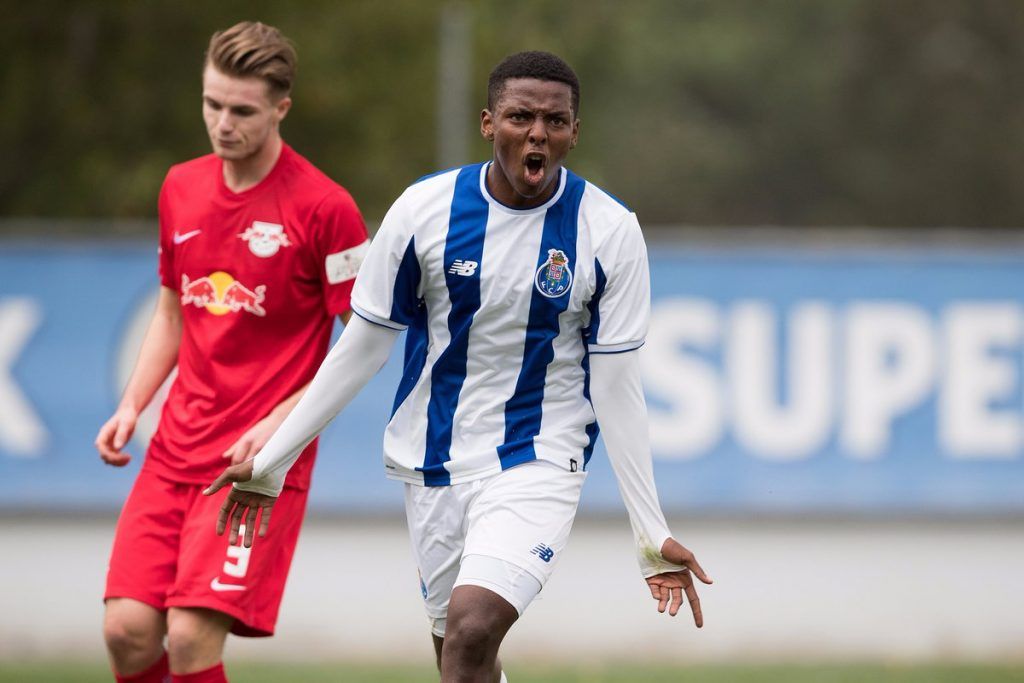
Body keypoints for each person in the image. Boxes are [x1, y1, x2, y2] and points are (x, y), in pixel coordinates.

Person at [205, 50, 711, 683]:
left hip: (540, 453)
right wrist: (274, 461)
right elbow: (362, 347)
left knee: (472, 628)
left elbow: (616, 385)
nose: (537, 133)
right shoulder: (422, 212)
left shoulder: (609, 231)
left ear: (574, 133)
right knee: (458, 656)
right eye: (520, 116)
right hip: (434, 457)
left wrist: (649, 531)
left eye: (554, 121)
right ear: (487, 123)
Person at [95, 21, 369, 683]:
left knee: (190, 634)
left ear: (281, 108)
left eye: (241, 110)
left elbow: (359, 347)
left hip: (258, 464)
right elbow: (171, 312)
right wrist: (133, 404)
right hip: (175, 449)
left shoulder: (326, 209)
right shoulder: (180, 187)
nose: (222, 123)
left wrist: (279, 424)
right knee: (128, 631)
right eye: (211, 104)